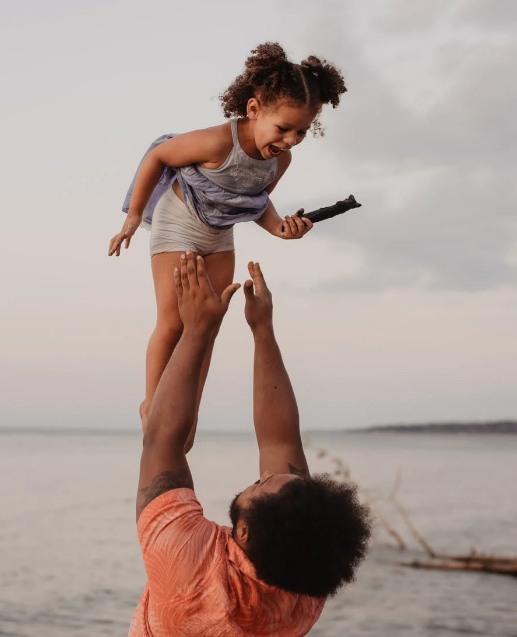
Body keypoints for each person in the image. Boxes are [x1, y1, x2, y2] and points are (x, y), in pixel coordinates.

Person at [108, 42, 348, 440]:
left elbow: (257, 203)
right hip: (180, 222)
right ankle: (152, 405)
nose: (290, 139)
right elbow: (159, 156)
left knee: (207, 325)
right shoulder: (219, 141)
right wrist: (134, 216)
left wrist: (281, 229)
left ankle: (187, 412)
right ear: (254, 110)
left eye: (302, 131)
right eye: (283, 128)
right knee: (173, 322)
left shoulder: (279, 161)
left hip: (220, 234)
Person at [129, 253, 372, 637]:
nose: (263, 477)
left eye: (261, 485)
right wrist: (263, 330)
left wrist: (198, 330)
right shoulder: (305, 576)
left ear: (244, 533)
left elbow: (161, 440)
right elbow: (280, 439)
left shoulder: (188, 570)